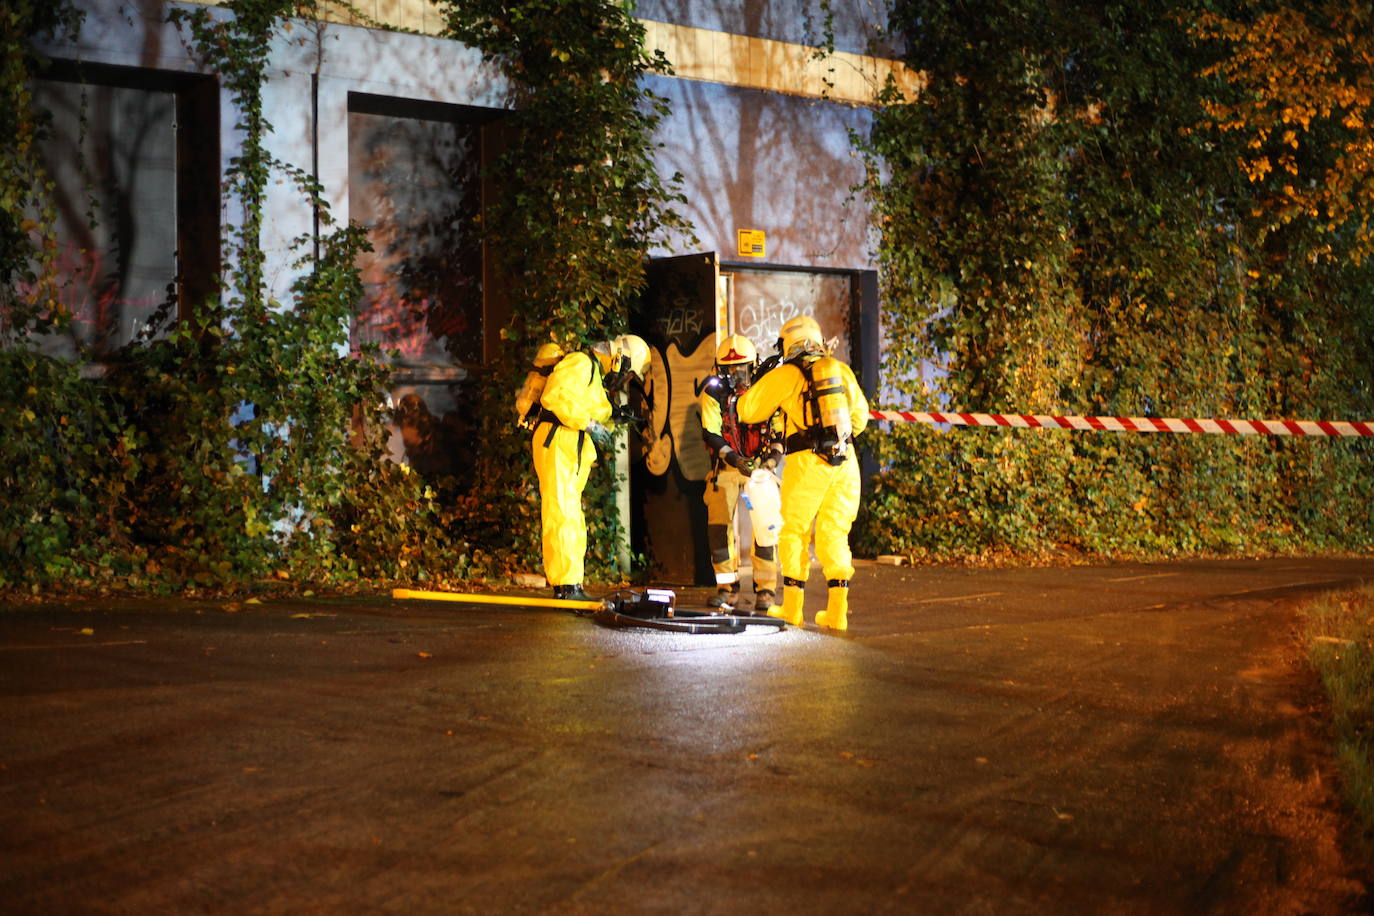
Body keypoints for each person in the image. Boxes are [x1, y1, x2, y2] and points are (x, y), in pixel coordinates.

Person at [736, 316, 869, 630]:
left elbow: (747, 411)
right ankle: (837, 613)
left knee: (794, 531)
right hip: (846, 461)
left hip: (807, 461)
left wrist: (761, 384)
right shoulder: (841, 370)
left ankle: (792, 609)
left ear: (787, 343)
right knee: (835, 533)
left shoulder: (787, 374)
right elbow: (860, 420)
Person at [531, 334, 651, 602]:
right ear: (622, 358)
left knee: (570, 514)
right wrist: (591, 424)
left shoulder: (593, 373)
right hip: (558, 441)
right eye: (628, 372)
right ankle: (566, 586)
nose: (624, 378)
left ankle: (571, 583)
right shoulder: (581, 363)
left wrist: (612, 416)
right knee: (562, 513)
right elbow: (554, 397)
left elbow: (587, 406)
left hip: (568, 445)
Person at [698, 333, 783, 612]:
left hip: (759, 470)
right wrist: (735, 459)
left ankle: (766, 590)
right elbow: (711, 434)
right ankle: (727, 588)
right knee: (718, 529)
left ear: (753, 365)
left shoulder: (766, 389)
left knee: (765, 528)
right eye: (730, 370)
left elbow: (779, 431)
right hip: (727, 469)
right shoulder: (711, 393)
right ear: (720, 370)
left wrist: (769, 463)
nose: (737, 375)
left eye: (742, 368)